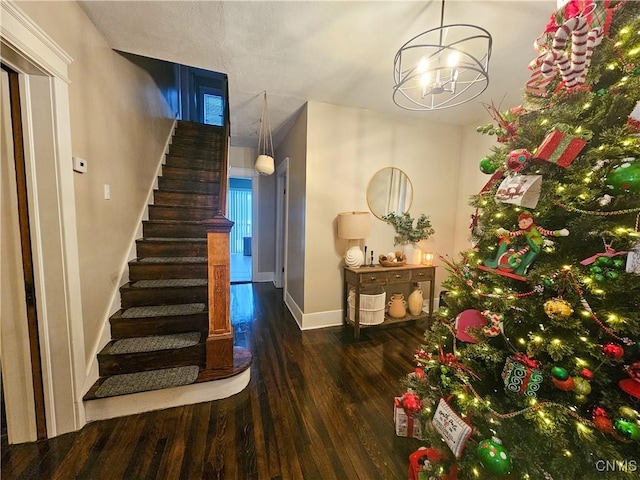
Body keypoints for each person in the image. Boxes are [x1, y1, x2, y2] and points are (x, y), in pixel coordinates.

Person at [483, 211, 569, 276]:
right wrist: (504, 232)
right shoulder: (524, 231)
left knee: (530, 251)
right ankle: (514, 262)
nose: (522, 225)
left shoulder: (537, 228)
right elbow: (513, 234)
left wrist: (560, 233)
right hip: (529, 245)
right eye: (520, 224)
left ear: (530, 220)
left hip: (536, 244)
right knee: (518, 254)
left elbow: (549, 232)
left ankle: (519, 266)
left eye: (524, 222)